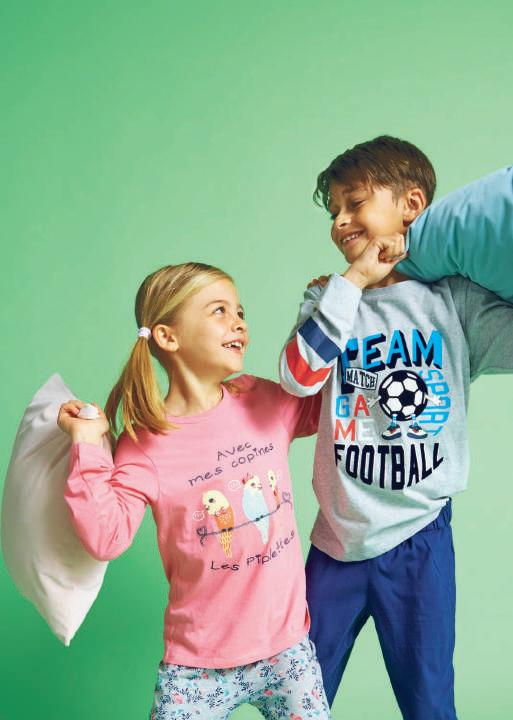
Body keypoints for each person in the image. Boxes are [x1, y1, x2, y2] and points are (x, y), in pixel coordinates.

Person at [279, 136, 513, 720]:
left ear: (411, 204)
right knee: (297, 697)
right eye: (334, 211)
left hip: (419, 536)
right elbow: (299, 377)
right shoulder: (326, 298)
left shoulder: (452, 302)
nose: (340, 221)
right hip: (336, 539)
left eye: (355, 203)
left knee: (428, 700)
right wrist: (351, 282)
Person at [58, 262, 330, 720]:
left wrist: (328, 313)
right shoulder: (145, 443)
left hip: (288, 650)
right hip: (197, 668)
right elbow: (106, 537)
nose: (238, 321)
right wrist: (87, 442)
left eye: (239, 311)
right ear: (168, 336)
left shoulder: (262, 398)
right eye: (219, 310)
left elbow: (330, 397)